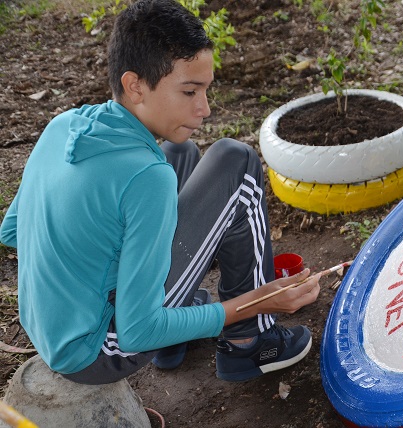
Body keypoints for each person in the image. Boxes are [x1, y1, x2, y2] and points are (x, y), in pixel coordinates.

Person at [0, 0, 320, 385]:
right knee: (237, 162)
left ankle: (174, 335)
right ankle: (250, 340)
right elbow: (136, 333)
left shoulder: (64, 125)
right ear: (135, 85)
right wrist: (255, 302)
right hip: (98, 350)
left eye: (206, 90)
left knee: (179, 152)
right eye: (189, 91)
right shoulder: (146, 177)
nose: (204, 108)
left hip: (48, 326)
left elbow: (13, 230)